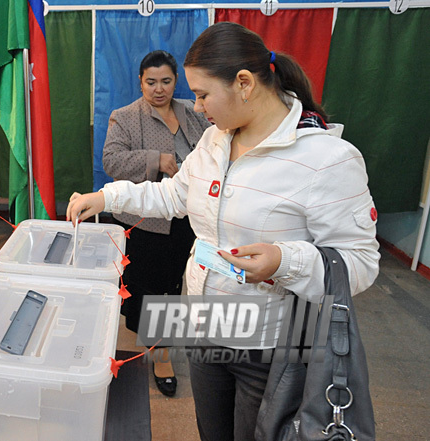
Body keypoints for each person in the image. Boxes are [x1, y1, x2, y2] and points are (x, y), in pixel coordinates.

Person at [68, 22, 379, 441]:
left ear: (245, 84)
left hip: (271, 343)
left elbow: (359, 264)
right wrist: (107, 197)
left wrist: (285, 261)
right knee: (212, 431)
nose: (196, 108)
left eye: (202, 95)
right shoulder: (216, 139)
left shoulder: (327, 158)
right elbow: (175, 197)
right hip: (204, 326)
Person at [102, 50, 210, 396]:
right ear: (140, 82)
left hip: (187, 218)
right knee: (144, 289)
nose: (159, 89)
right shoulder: (125, 117)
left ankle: (161, 350)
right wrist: (157, 160)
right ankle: (157, 353)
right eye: (151, 82)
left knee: (171, 286)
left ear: (176, 81)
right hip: (145, 223)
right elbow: (112, 162)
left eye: (166, 81)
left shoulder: (193, 112)